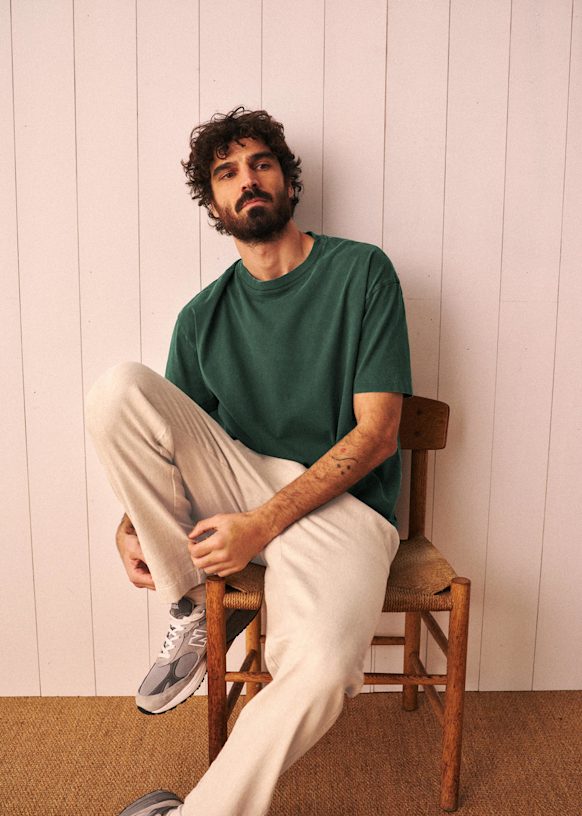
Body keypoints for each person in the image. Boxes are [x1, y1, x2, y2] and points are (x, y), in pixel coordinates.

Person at [86, 106, 412, 816]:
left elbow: (379, 435)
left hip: (346, 513)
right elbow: (164, 439)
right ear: (213, 203)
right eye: (226, 173)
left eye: (261, 163)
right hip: (239, 487)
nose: (247, 180)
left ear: (287, 181)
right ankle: (191, 600)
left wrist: (262, 525)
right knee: (118, 390)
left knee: (322, 674)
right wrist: (131, 523)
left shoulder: (362, 272)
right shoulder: (201, 316)